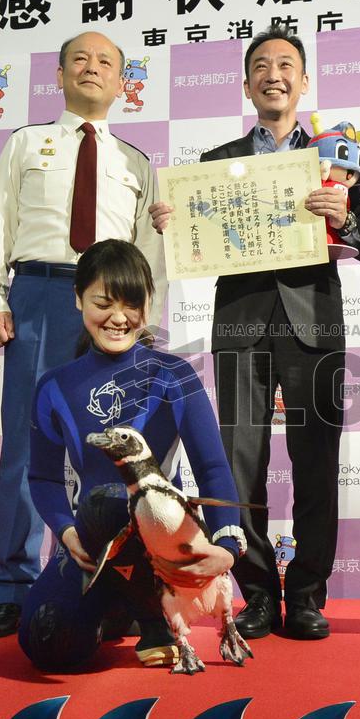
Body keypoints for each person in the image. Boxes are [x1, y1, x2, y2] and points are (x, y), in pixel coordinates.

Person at [149, 26, 360, 641]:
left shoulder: (335, 153)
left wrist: (346, 216)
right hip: (241, 322)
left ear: (303, 80)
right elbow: (194, 236)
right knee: (240, 465)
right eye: (262, 66)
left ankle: (305, 594)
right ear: (247, 84)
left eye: (286, 65)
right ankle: (256, 593)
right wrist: (170, 219)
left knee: (316, 461)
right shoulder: (215, 163)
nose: (274, 74)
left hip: (315, 321)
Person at [0, 32, 166, 639]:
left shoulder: (138, 163)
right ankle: (12, 586)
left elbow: (150, 252)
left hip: (111, 307)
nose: (92, 68)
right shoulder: (25, 143)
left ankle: (106, 590)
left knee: (109, 453)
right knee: (27, 449)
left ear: (121, 82)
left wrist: (144, 322)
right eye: (80, 59)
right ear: (58, 75)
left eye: (106, 62)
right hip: (37, 296)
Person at [20, 239, 244, 671]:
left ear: (148, 304)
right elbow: (44, 479)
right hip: (93, 544)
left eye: (131, 304)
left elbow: (213, 468)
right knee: (45, 644)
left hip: (163, 548)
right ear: (78, 299)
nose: (119, 318)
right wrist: (67, 533)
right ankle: (117, 606)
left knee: (113, 496)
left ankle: (151, 615)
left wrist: (228, 548)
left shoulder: (173, 375)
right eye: (103, 303)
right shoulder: (54, 385)